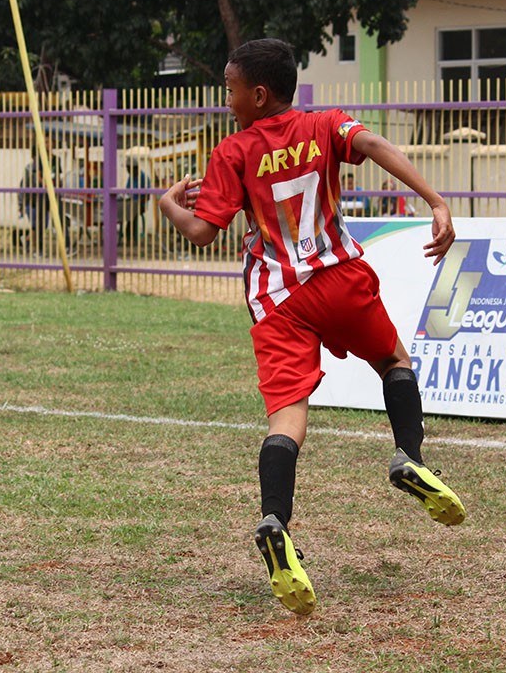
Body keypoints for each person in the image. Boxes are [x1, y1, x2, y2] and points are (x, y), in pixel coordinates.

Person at [158, 38, 465, 616]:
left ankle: (276, 521)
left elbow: (203, 233)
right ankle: (409, 456)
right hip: (337, 277)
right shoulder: (324, 125)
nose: (226, 101)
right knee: (394, 362)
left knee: (287, 419)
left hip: (276, 298)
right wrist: (436, 202)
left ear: (258, 93)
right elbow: (371, 144)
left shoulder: (234, 151)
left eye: (230, 90)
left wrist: (167, 204)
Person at [19, 141, 63, 257]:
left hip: (42, 200)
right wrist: (21, 205)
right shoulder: (29, 169)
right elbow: (22, 186)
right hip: (31, 202)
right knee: (37, 225)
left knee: (42, 225)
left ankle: (27, 240)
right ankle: (34, 248)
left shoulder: (44, 167)